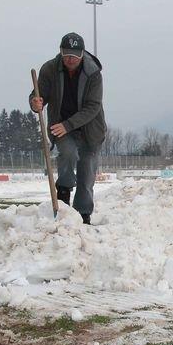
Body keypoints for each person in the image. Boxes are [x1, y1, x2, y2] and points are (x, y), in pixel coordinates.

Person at [29, 32, 106, 225]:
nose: (70, 59)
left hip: (90, 129)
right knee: (68, 153)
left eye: (75, 55)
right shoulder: (50, 69)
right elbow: (39, 94)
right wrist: (35, 102)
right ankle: (63, 194)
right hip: (60, 125)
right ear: (61, 52)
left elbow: (93, 106)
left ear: (82, 54)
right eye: (67, 54)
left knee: (87, 173)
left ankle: (83, 215)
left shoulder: (93, 73)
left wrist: (69, 124)